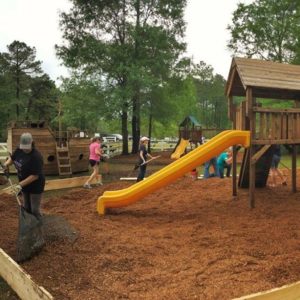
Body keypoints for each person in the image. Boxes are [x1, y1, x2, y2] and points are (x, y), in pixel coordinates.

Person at [3, 133, 45, 220]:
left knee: (34, 210)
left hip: (35, 185)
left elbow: (35, 176)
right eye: (23, 147)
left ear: (32, 143)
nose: (25, 150)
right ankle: (30, 224)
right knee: (26, 207)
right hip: (24, 184)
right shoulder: (19, 149)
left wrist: (19, 185)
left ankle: (40, 225)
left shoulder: (36, 157)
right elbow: (12, 158)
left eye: (27, 147)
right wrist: (6, 164)